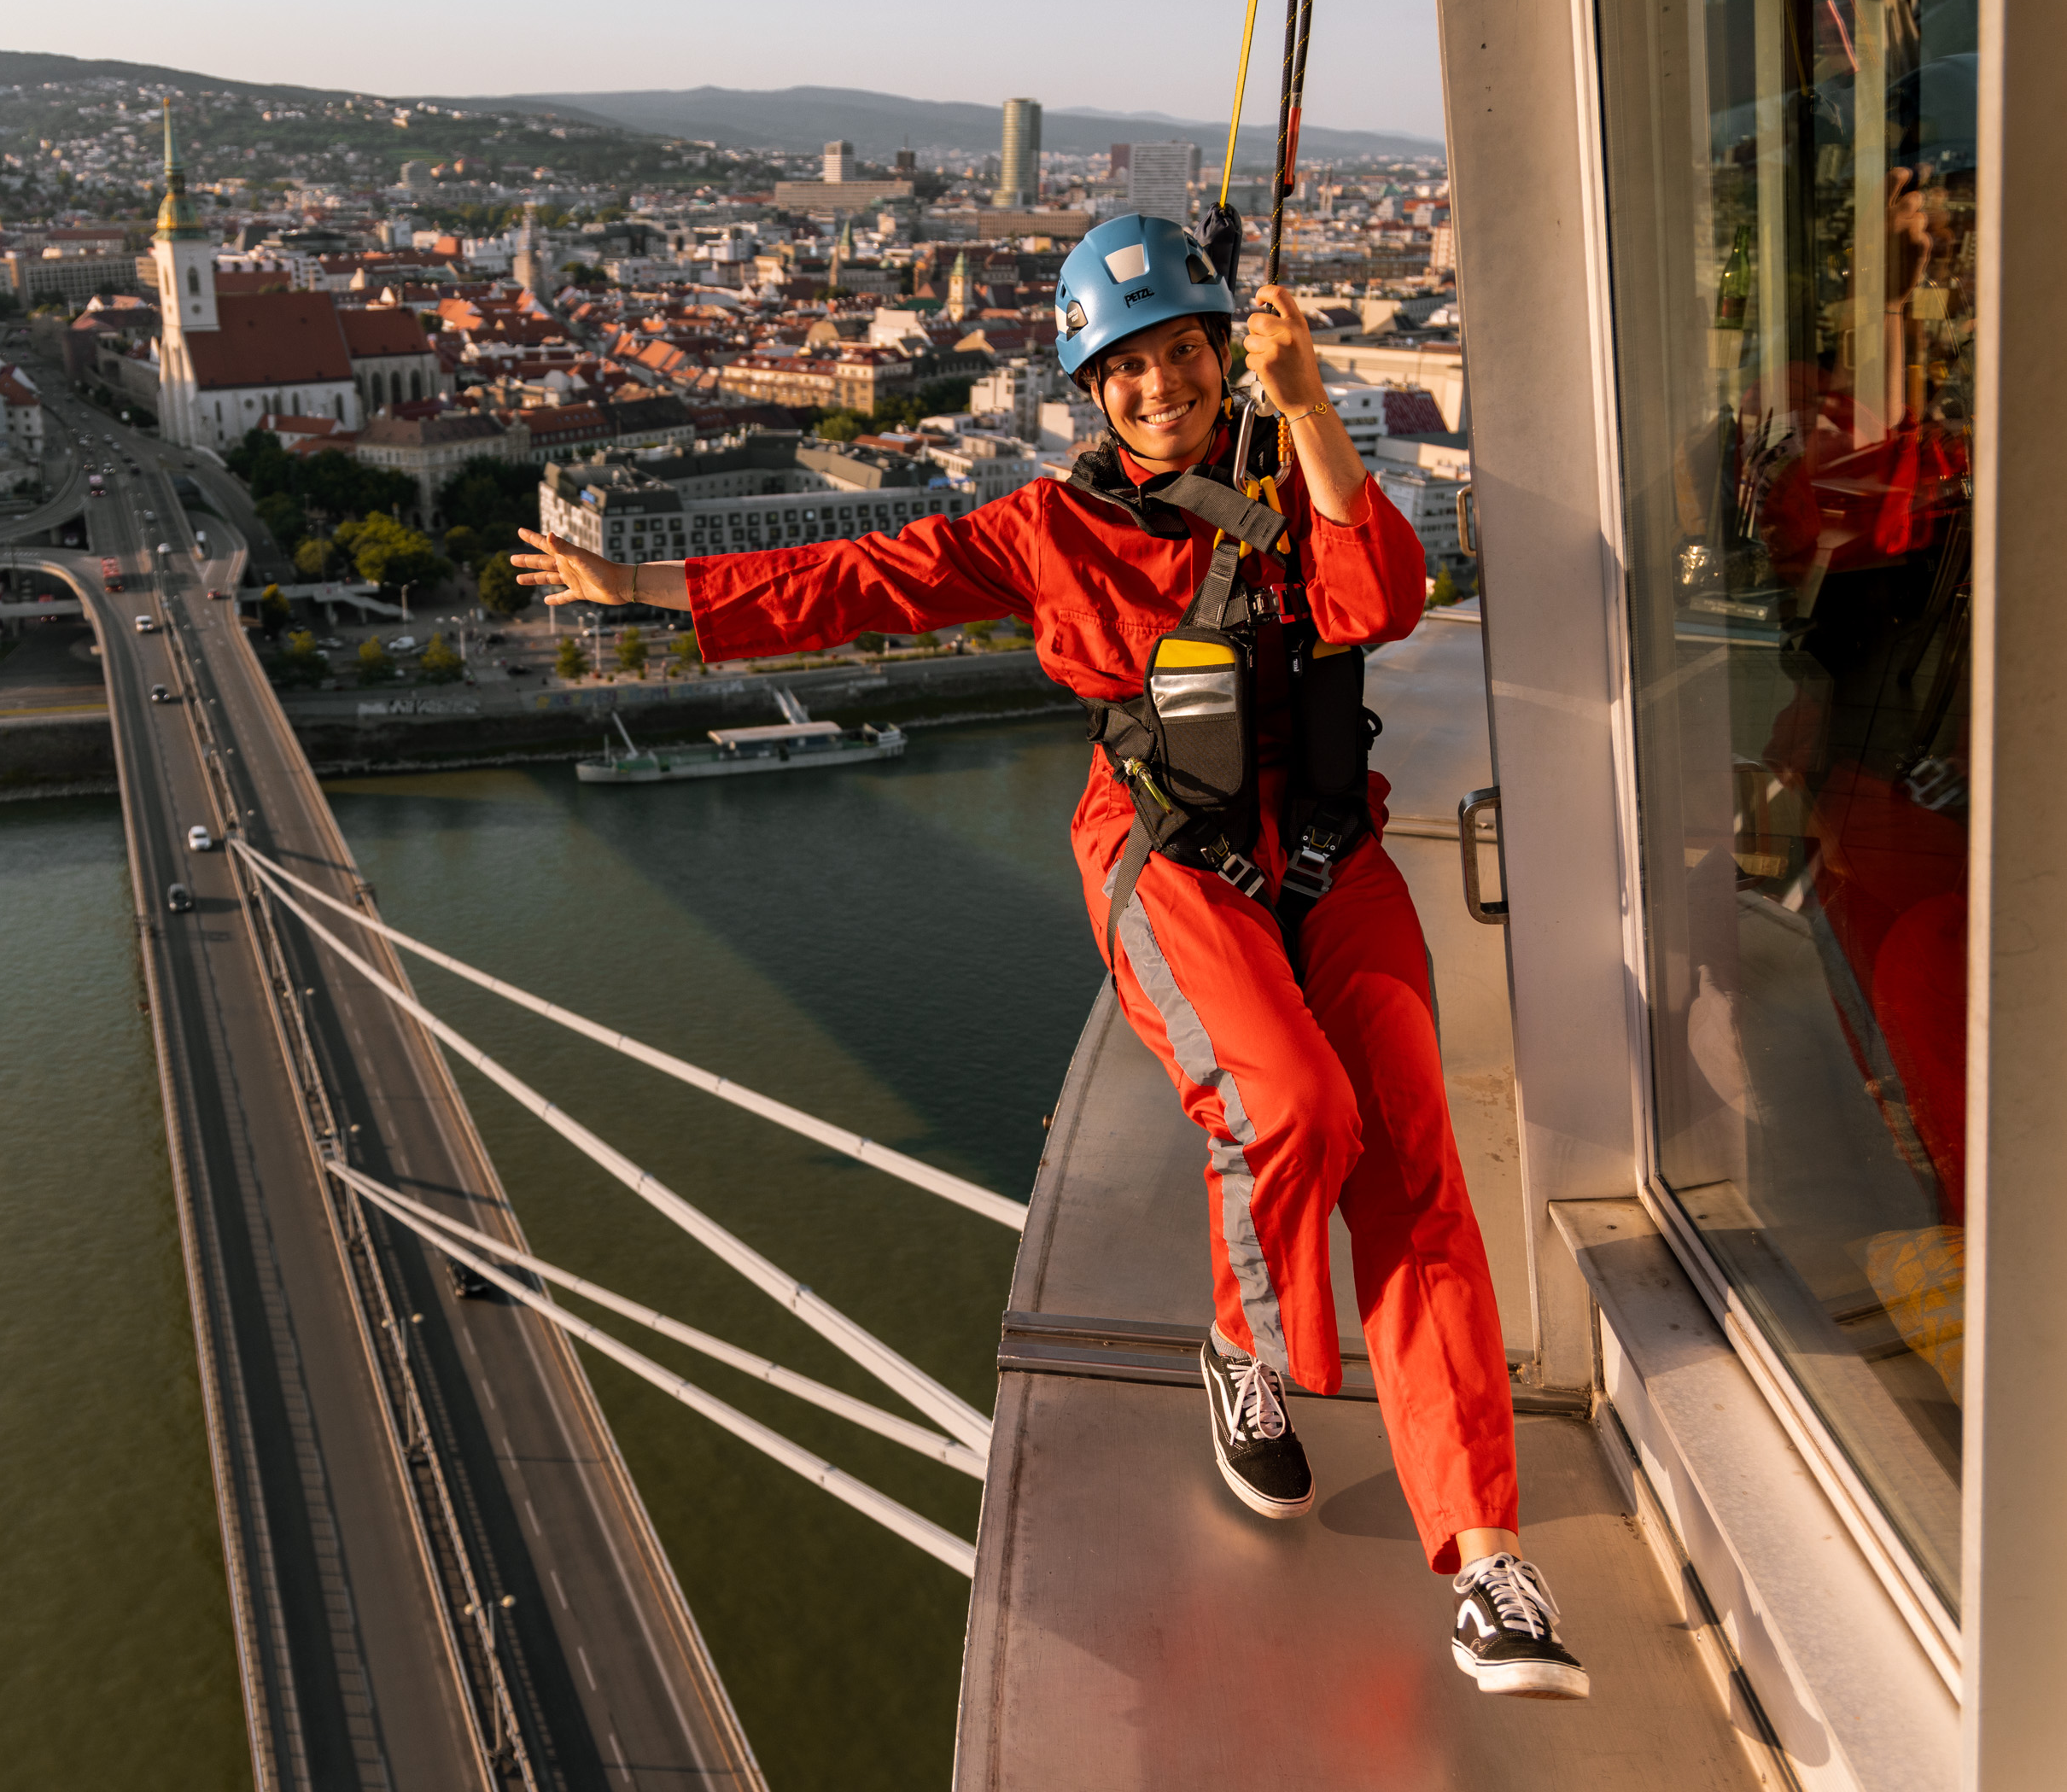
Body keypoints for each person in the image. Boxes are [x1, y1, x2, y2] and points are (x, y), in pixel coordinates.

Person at [512, 213, 1590, 1701]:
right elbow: (864, 578)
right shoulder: (1042, 530)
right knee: (1292, 1105)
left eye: (1185, 354)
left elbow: (1379, 601)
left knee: (1415, 1162)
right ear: (1093, 387)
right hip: (1166, 853)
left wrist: (1309, 403)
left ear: (1225, 354)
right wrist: (637, 592)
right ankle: (1240, 1344)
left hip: (1327, 843)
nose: (1161, 385)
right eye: (1130, 366)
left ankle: (1483, 1559)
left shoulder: (1290, 471)